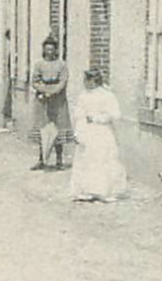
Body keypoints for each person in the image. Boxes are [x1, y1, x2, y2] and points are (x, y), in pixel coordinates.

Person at [69, 68, 128, 202]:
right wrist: (78, 131)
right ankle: (87, 190)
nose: (85, 83)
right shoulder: (83, 96)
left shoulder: (107, 95)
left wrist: (97, 118)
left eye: (87, 80)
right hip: (86, 131)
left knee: (103, 159)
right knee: (86, 159)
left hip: (102, 132)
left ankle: (104, 190)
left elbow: (115, 114)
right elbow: (78, 114)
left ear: (94, 81)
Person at [30, 38, 71, 170]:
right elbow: (35, 81)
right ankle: (42, 159)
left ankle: (59, 159)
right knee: (43, 129)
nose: (49, 52)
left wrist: (52, 92)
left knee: (57, 129)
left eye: (52, 49)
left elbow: (62, 82)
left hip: (58, 101)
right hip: (42, 101)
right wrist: (44, 91)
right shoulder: (39, 65)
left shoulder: (62, 65)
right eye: (47, 49)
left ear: (56, 50)